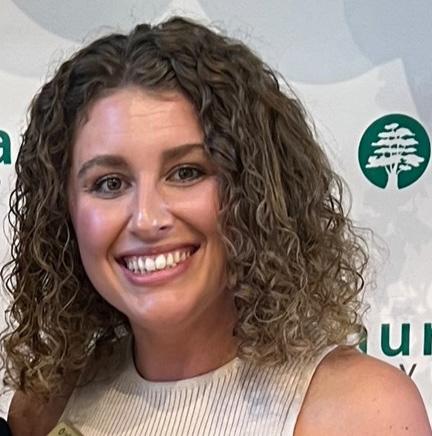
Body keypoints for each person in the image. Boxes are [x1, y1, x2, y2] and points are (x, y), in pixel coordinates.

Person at [2, 16, 430, 436]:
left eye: (186, 173)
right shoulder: (43, 405)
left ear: (257, 193)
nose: (147, 219)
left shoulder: (361, 413)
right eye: (109, 183)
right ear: (64, 211)